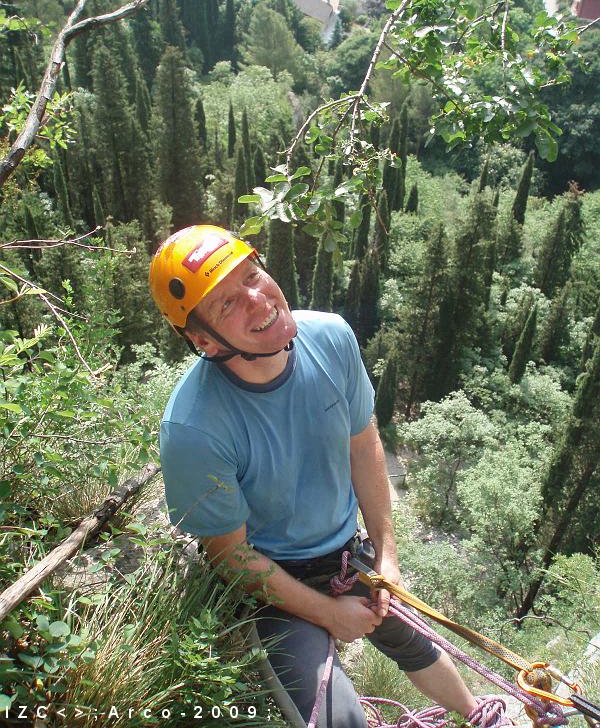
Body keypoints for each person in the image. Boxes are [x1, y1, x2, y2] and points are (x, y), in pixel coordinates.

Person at [149, 224, 477, 728]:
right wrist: (328, 614)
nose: (258, 300)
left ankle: (479, 715)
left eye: (252, 276)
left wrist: (386, 556)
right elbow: (230, 555)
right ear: (204, 341)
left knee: (415, 640)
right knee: (339, 719)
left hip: (345, 553)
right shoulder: (194, 428)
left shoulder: (331, 338)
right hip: (272, 581)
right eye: (227, 303)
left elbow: (363, 442)